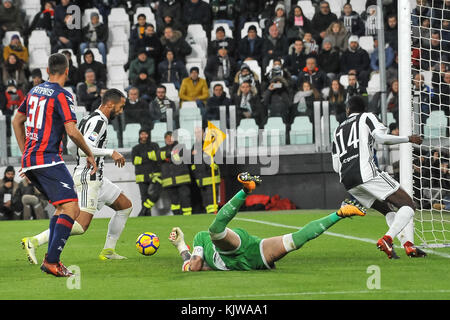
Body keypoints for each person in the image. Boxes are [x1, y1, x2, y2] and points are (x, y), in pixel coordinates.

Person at [169, 172, 366, 272]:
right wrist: (181, 245)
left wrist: (180, 247)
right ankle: (340, 213)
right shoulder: (202, 249)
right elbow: (199, 266)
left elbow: (194, 266)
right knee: (294, 240)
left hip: (233, 252)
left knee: (214, 230)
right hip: (254, 254)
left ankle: (246, 189)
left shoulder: (200, 238)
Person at [21, 89, 132, 265]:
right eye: (121, 106)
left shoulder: (89, 118)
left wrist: (88, 156)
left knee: (125, 206)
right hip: (89, 178)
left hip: (98, 177)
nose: (121, 110)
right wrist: (111, 152)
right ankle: (34, 241)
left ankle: (109, 250)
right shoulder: (98, 122)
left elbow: (72, 146)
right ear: (111, 104)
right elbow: (82, 148)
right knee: (80, 226)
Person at [12, 53, 97, 277]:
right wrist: (89, 153)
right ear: (67, 71)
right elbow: (71, 131)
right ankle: (52, 261)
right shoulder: (62, 95)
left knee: (61, 208)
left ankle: (49, 260)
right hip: (48, 158)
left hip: (32, 159)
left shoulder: (33, 91)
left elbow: (16, 120)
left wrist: (25, 155)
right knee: (72, 208)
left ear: (48, 70)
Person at [331, 96, 427, 259]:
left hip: (348, 181)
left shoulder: (337, 129)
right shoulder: (367, 117)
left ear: (348, 110)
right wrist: (408, 139)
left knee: (387, 210)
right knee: (408, 205)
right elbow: (381, 139)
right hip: (366, 173)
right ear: (363, 108)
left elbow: (335, 165)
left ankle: (408, 245)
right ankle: (387, 239)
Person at [158, 131, 192, 216]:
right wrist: (172, 154)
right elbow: (159, 156)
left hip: (182, 179)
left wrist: (167, 156)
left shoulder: (181, 147)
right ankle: (176, 217)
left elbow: (179, 158)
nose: (169, 139)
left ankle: (188, 217)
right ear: (165, 140)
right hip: (169, 181)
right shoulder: (161, 150)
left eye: (171, 137)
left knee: (185, 199)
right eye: (167, 138)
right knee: (174, 202)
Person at [132, 128, 162, 216]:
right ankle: (146, 215)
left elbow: (157, 157)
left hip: (154, 175)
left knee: (155, 194)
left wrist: (142, 157)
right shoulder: (135, 148)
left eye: (145, 134)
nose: (144, 136)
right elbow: (135, 161)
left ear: (148, 135)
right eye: (142, 134)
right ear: (139, 136)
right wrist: (149, 156)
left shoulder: (154, 145)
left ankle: (143, 211)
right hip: (141, 176)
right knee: (144, 197)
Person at [190, 127, 221, 214]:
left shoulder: (210, 143)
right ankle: (209, 216)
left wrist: (213, 164)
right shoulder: (195, 146)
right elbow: (192, 161)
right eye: (196, 132)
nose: (197, 134)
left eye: (199, 132)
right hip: (201, 178)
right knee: (206, 200)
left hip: (210, 176)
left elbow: (218, 157)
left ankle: (213, 216)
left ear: (203, 132)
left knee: (211, 200)